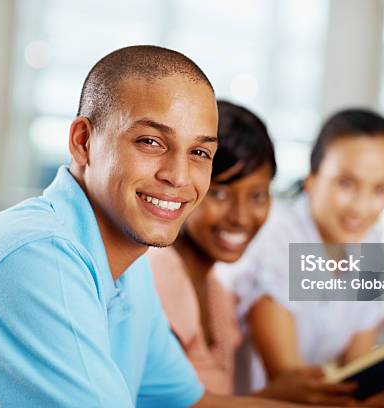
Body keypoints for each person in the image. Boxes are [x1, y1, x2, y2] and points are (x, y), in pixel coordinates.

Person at [0, 46, 300, 408]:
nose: (179, 176)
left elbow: (193, 402)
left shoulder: (128, 267)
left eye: (199, 153)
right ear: (83, 142)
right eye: (151, 142)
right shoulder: (37, 256)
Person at [218, 108, 384, 407]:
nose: (360, 207)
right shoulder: (274, 236)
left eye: (380, 189)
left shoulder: (368, 242)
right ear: (312, 178)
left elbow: (357, 374)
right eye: (346, 184)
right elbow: (296, 388)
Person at [149, 101, 357, 406]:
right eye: (219, 193)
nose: (241, 217)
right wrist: (276, 397)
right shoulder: (156, 275)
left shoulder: (218, 293)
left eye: (258, 196)